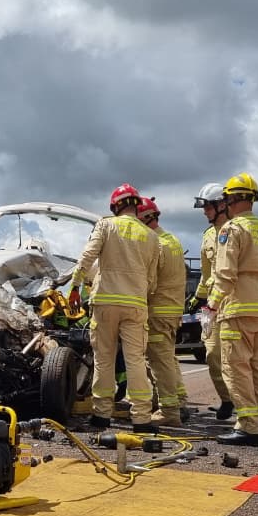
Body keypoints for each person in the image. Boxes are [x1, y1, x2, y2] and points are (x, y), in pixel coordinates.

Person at [204, 173, 258, 447]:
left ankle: (248, 427)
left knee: (236, 369)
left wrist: (211, 306)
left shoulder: (232, 230)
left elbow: (225, 274)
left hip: (236, 310)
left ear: (232, 199)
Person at [74, 183, 160, 432]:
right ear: (135, 205)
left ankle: (101, 415)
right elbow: (152, 280)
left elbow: (87, 257)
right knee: (135, 360)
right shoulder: (151, 236)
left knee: (104, 359)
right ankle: (142, 418)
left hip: (106, 302)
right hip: (135, 304)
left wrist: (75, 288)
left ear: (116, 206)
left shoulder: (106, 225)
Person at [136, 196, 187, 428]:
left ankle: (169, 411)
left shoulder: (155, 244)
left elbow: (150, 282)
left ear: (146, 218)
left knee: (159, 361)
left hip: (158, 310)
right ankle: (178, 401)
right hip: (171, 310)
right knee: (167, 358)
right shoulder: (171, 240)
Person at [185, 182, 234, 421]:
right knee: (212, 352)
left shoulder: (236, 231)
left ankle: (243, 404)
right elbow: (206, 275)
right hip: (210, 305)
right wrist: (195, 299)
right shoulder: (207, 237)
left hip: (233, 302)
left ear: (222, 204)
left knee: (236, 358)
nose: (204, 212)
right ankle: (227, 400)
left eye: (207, 207)